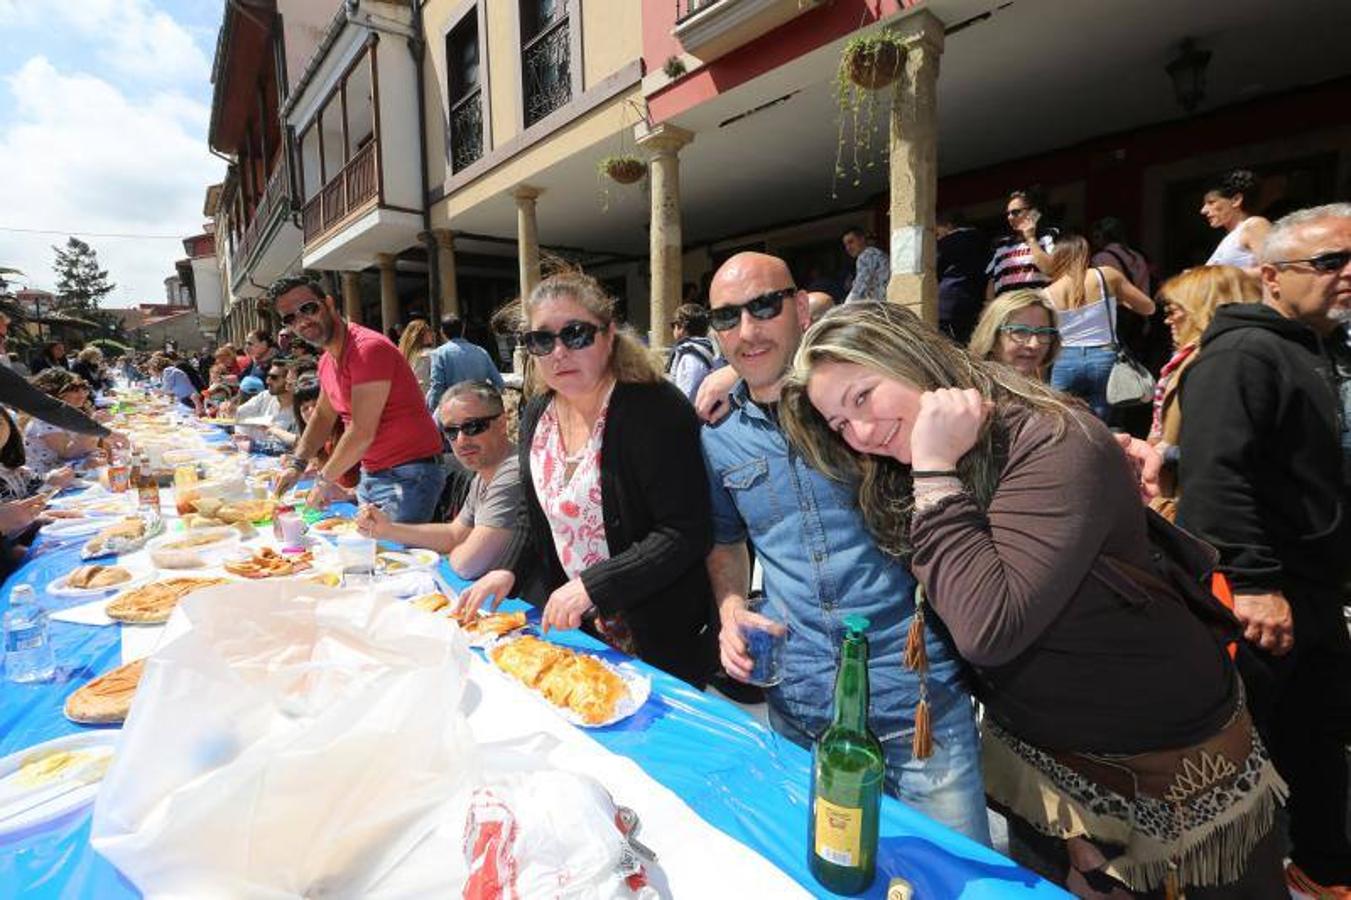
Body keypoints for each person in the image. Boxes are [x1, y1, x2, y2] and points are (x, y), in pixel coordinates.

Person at [780, 302, 1287, 898]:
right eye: (840, 423)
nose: (861, 433)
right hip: (1041, 759)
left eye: (864, 397)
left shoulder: (1047, 438)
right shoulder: (901, 469)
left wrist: (936, 472)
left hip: (1165, 764)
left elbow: (988, 628)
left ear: (909, 358)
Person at [698, 251, 990, 842]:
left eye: (764, 306)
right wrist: (731, 609)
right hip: (799, 699)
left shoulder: (860, 400)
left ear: (802, 307)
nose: (747, 330)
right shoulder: (718, 436)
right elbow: (726, 540)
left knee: (951, 875)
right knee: (825, 868)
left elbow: (930, 369)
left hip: (915, 696)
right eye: (728, 318)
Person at [1177, 203, 1351, 898]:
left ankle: (1322, 868)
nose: (1346, 276)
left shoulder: (1321, 351)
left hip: (1313, 592)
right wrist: (1250, 581)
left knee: (1316, 741)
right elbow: (1215, 476)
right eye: (1329, 262)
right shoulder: (1244, 353)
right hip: (1262, 600)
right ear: (1271, 277)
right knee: (1241, 762)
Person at [456, 270, 718, 687]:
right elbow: (536, 511)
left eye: (575, 334)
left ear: (609, 335)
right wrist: (509, 569)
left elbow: (686, 531)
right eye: (542, 340)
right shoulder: (537, 412)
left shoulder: (654, 409)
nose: (558, 352)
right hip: (582, 630)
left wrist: (593, 587)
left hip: (658, 635)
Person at [268, 276, 445, 523]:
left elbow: (362, 431)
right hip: (373, 473)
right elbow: (322, 416)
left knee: (389, 556)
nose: (302, 320)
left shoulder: (367, 349)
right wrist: (296, 464)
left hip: (408, 475)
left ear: (328, 303)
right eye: (290, 318)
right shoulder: (327, 361)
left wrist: (323, 480)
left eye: (308, 308)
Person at [356, 380, 520, 579]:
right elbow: (453, 534)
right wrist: (386, 530)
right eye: (451, 431)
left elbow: (468, 565)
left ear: (502, 424)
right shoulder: (485, 472)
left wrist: (457, 550)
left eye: (473, 427)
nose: (461, 440)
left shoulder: (513, 471)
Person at [1147, 266, 1260, 521]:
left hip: (1200, 505)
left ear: (1199, 310)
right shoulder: (1195, 357)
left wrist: (1167, 452)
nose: (1167, 320)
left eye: (1172, 311)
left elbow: (1223, 446)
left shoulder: (1217, 361)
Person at [1044, 234, 1156, 421]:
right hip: (1104, 357)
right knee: (1102, 424)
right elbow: (1149, 307)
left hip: (1064, 359)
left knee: (1062, 421)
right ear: (1086, 254)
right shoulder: (1106, 275)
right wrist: (1120, 301)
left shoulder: (1047, 293)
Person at [24, 370, 105, 476]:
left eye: (84, 388)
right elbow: (68, 453)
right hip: (47, 481)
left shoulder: (69, 413)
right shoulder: (45, 419)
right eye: (74, 390)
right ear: (54, 393)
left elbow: (85, 446)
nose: (83, 394)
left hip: (68, 472)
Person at [968, 289, 1061, 380]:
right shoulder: (970, 390)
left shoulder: (1040, 394)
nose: (1034, 344)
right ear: (992, 337)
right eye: (1020, 331)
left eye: (1043, 332)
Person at [425, 313, 504, 411]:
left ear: (442, 332)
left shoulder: (439, 354)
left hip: (453, 411)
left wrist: (432, 410)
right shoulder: (481, 352)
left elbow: (437, 387)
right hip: (479, 410)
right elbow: (500, 384)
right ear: (463, 330)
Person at [986, 189, 1055, 300]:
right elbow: (992, 282)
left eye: (1015, 212)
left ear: (1033, 212)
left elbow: (1051, 270)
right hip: (1008, 311)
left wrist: (1031, 238)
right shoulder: (1001, 245)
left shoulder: (1048, 237)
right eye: (1008, 213)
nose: (1010, 217)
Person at [1201, 169, 1271, 276]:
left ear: (1236, 200)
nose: (1203, 210)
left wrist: (1215, 278)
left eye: (1211, 202)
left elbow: (1273, 270)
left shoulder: (1255, 225)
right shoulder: (1229, 237)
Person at [935, 210, 990, 343]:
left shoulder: (946, 243)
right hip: (975, 301)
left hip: (947, 303)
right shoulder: (984, 240)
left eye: (937, 232)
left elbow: (934, 270)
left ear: (948, 226)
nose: (937, 236)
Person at [0, 406, 74, 501]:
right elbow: (13, 511)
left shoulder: (11, 466)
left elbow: (34, 483)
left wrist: (53, 477)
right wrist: (48, 486)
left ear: (10, 427)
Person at [236, 360, 298, 446]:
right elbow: (238, 414)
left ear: (289, 380)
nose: (267, 381)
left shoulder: (302, 409)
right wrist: (229, 409)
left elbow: (298, 443)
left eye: (274, 377)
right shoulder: (265, 396)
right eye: (268, 376)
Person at [666, 303, 716, 402]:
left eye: (673, 325)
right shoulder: (706, 348)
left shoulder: (690, 357)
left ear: (681, 327)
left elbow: (686, 395)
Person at [842, 226, 889, 303]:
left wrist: (846, 307)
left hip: (878, 306)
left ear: (862, 239)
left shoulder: (866, 255)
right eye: (845, 245)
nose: (848, 248)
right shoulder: (875, 253)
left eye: (851, 242)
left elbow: (860, 288)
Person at [398, 319, 436, 394]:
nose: (432, 333)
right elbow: (423, 384)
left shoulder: (402, 355)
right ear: (421, 335)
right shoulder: (427, 355)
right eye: (429, 330)